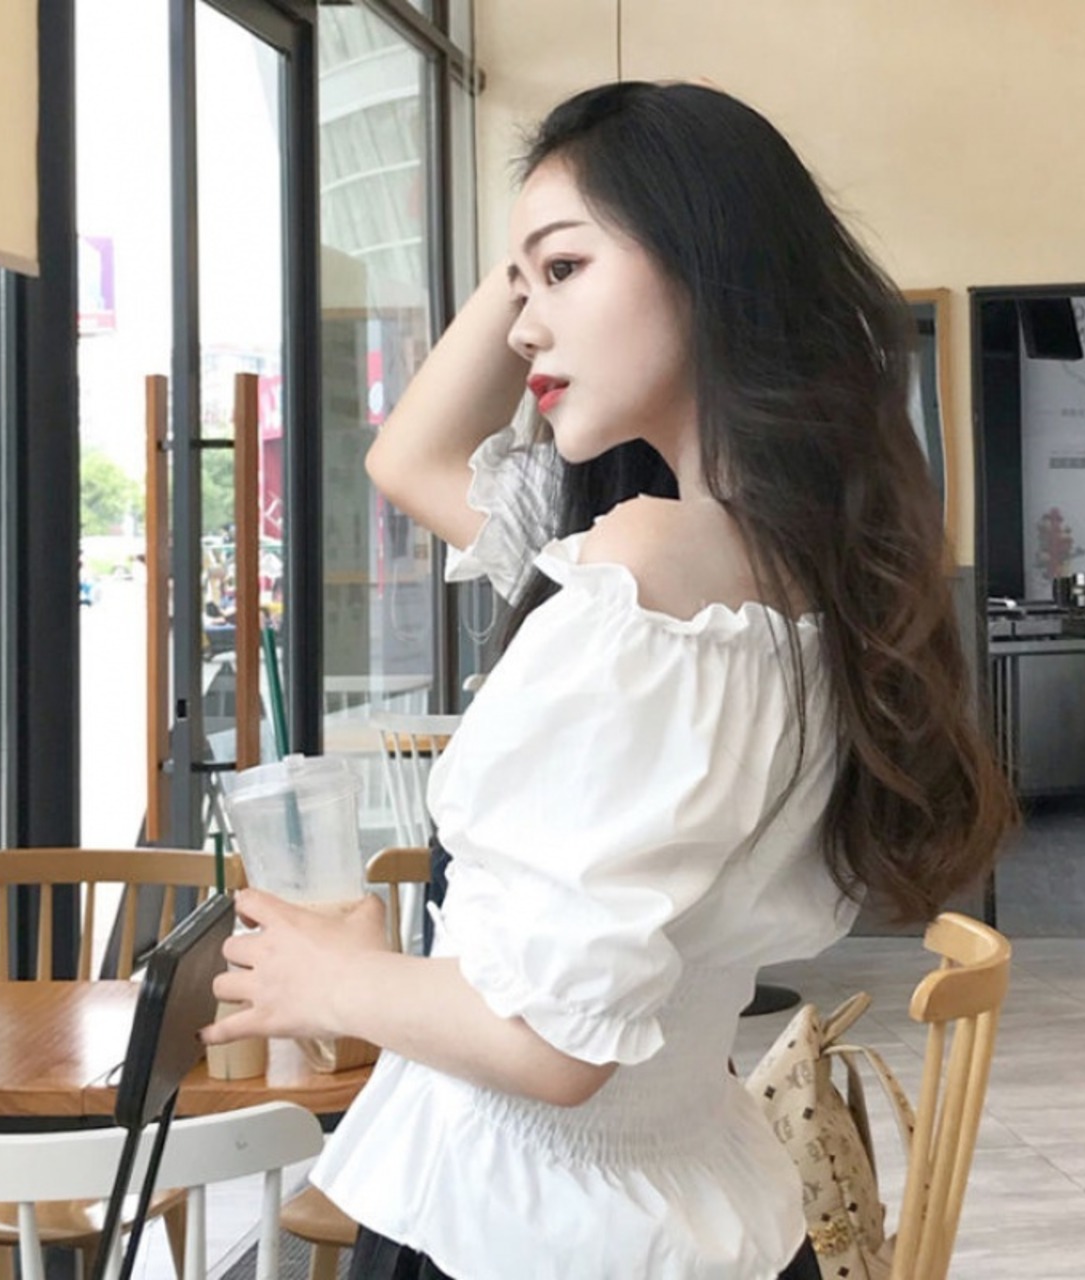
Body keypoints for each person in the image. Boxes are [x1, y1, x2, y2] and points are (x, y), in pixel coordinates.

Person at [203, 81, 1015, 1280]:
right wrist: (547, 245)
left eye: (564, 270)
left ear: (704, 261)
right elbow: (410, 457)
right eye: (516, 288)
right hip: (677, 1194)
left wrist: (337, 979)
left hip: (523, 1224)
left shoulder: (647, 574)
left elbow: (552, 1046)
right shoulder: (805, 572)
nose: (523, 328)